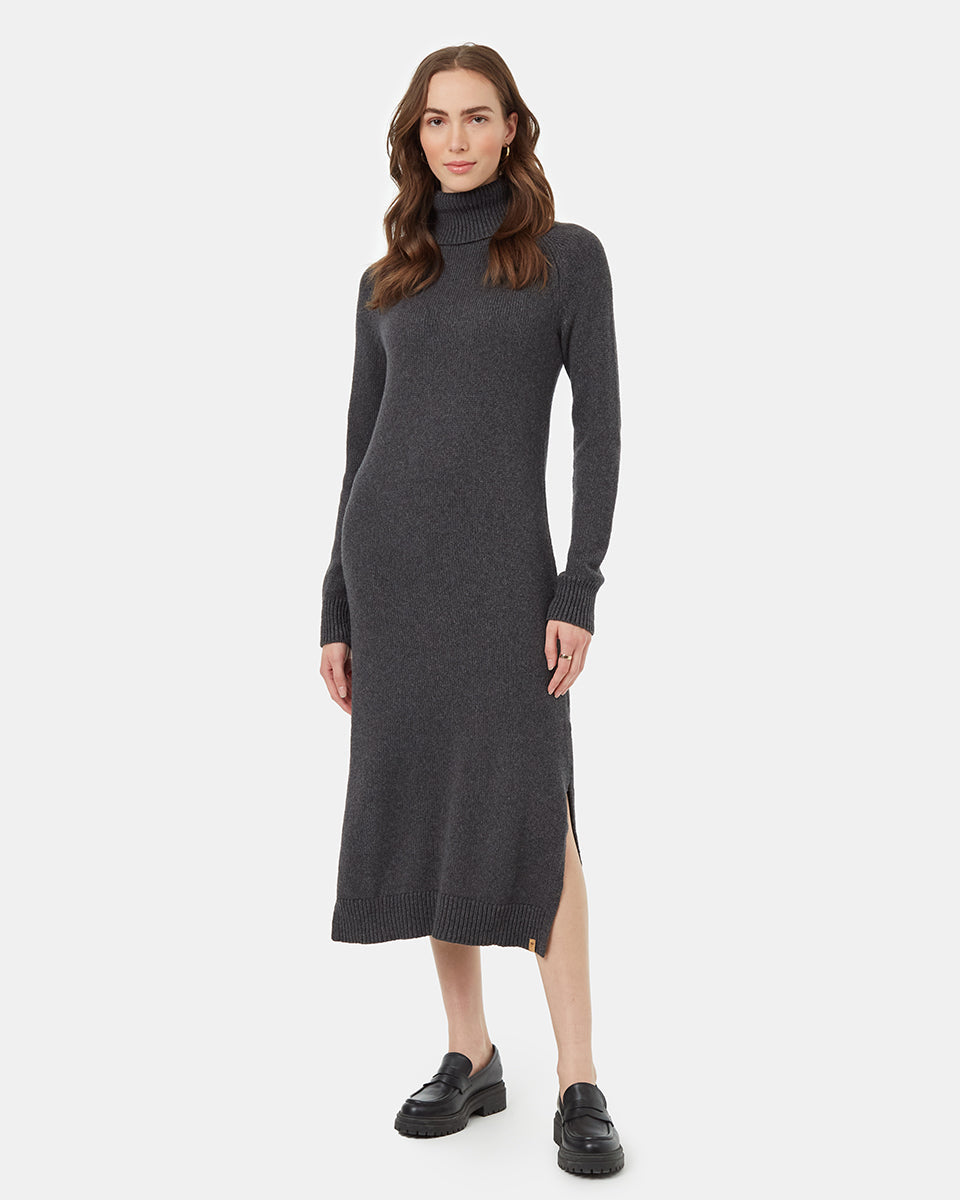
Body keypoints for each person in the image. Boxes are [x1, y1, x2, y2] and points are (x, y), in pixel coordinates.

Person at [319, 43, 624, 1175]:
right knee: (434, 811)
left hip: (507, 584)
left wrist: (577, 585)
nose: (455, 138)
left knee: (542, 816)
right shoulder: (386, 279)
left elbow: (599, 430)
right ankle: (471, 1051)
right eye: (436, 119)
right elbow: (360, 447)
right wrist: (336, 606)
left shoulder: (563, 259)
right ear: (416, 135)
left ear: (511, 129)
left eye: (476, 116)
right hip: (392, 581)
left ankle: (580, 1076)